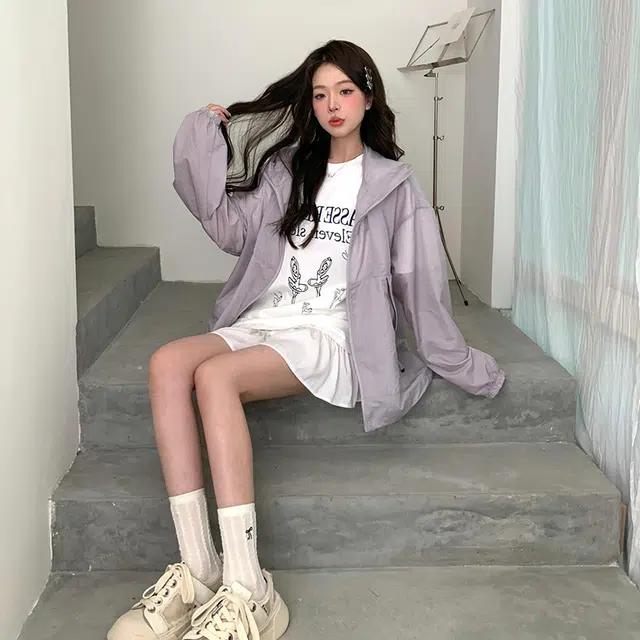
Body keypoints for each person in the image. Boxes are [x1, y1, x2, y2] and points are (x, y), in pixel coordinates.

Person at [107, 39, 505, 640]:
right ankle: (200, 572)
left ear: (368, 98)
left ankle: (249, 588)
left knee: (215, 377)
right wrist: (200, 136)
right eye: (320, 95)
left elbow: (419, 283)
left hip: (332, 332)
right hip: (267, 318)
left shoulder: (393, 186)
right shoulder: (286, 171)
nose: (332, 105)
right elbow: (228, 229)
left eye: (344, 91)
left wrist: (462, 362)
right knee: (167, 363)